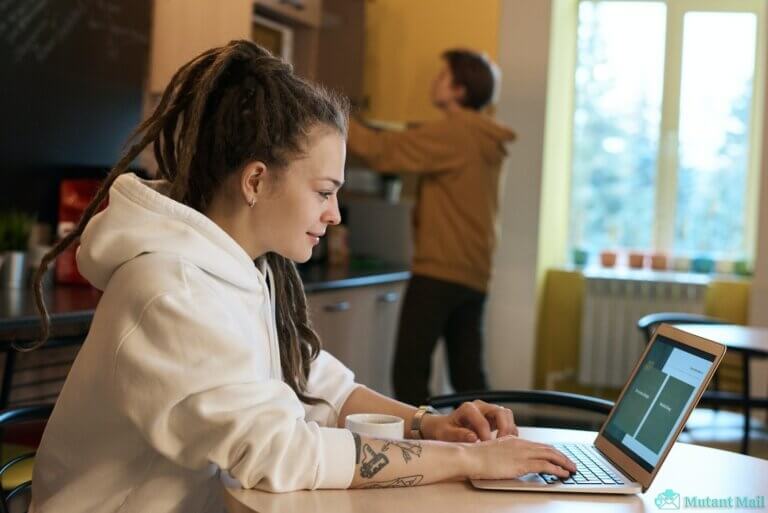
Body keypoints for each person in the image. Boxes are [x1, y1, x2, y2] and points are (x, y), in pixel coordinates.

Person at [28, 41, 573, 513]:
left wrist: (427, 423)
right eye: (324, 191)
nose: (334, 214)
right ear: (256, 181)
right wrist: (464, 460)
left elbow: (312, 379)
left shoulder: (240, 267)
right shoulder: (173, 291)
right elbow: (281, 455)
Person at [346, 49, 516, 405]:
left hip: (438, 270)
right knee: (468, 375)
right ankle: (491, 444)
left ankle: (422, 450)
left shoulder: (456, 132)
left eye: (442, 76)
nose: (433, 81)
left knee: (408, 372)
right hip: (474, 271)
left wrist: (329, 113)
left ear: (459, 90)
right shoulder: (483, 136)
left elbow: (383, 151)